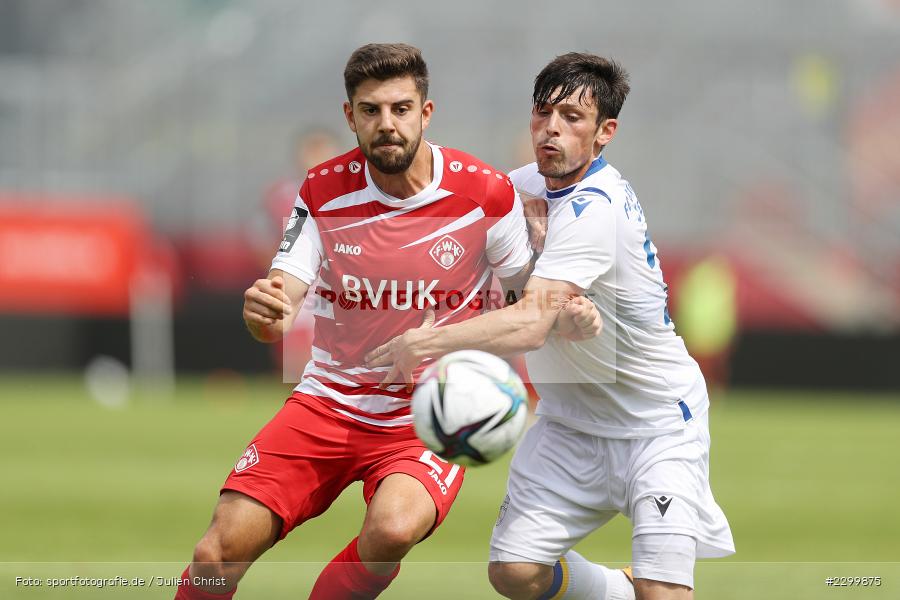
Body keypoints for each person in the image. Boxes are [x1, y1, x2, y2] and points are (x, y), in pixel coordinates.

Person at [174, 43, 598, 600]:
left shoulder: (484, 193)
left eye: (401, 109)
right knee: (216, 553)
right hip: (326, 401)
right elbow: (279, 308)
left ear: (426, 113)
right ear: (350, 116)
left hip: (428, 413)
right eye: (370, 110)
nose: (387, 124)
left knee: (393, 528)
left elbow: (528, 303)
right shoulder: (322, 189)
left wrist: (565, 315)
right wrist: (264, 314)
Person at [366, 53, 735, 600]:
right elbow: (448, 245)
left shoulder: (597, 207)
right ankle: (617, 592)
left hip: (655, 424)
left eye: (572, 117)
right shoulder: (518, 188)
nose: (552, 129)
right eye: (543, 114)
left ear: (606, 132)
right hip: (568, 423)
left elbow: (530, 326)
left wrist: (427, 341)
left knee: (665, 592)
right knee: (514, 573)